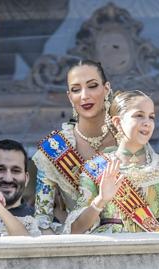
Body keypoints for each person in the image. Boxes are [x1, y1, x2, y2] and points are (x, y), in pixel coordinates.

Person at [66, 90, 159, 234]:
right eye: (139, 116)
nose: (147, 123)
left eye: (151, 117)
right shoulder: (96, 167)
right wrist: (101, 200)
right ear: (117, 122)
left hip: (154, 246)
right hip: (111, 250)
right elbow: (75, 230)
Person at [32, 60, 117, 234]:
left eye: (92, 86)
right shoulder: (54, 150)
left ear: (106, 89)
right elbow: (41, 221)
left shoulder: (127, 138)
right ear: (70, 97)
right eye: (76, 89)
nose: (84, 95)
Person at [0, 139, 34, 217]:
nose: (8, 179)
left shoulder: (42, 223)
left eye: (16, 171)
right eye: (0, 169)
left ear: (26, 179)